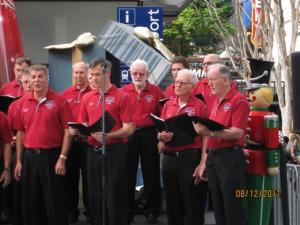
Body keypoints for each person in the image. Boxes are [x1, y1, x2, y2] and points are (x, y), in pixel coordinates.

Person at [74, 58, 133, 225]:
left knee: (114, 194)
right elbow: (84, 122)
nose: (92, 79)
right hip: (92, 151)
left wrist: (108, 136)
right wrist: (79, 129)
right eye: (90, 75)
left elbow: (128, 128)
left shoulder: (122, 96)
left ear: (107, 73)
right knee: (94, 194)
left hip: (114, 151)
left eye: (96, 75)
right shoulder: (87, 98)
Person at [14, 64, 74, 225]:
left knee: (55, 202)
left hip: (52, 157)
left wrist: (62, 158)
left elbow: (68, 132)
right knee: (31, 202)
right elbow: (20, 133)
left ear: (48, 78)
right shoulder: (22, 103)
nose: (36, 80)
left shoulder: (60, 101)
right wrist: (19, 161)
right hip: (29, 158)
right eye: (33, 77)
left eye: (40, 76)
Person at [193, 64, 250, 225]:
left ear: (225, 80)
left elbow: (237, 133)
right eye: (208, 79)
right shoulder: (215, 101)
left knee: (233, 208)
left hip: (230, 157)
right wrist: (205, 161)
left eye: (212, 80)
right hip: (214, 158)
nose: (209, 83)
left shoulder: (239, 101)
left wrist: (209, 133)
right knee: (218, 207)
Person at [157, 69, 208, 225]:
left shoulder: (200, 106)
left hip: (190, 159)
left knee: (193, 204)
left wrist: (203, 163)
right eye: (176, 82)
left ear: (192, 86)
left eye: (182, 83)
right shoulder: (168, 105)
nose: (177, 85)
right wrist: (160, 137)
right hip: (169, 160)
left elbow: (206, 136)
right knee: (172, 205)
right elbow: (160, 131)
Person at [121, 59, 164, 224]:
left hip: (149, 135)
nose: (138, 76)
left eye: (141, 73)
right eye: (135, 73)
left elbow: (162, 117)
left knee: (151, 173)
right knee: (127, 173)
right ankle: (128, 210)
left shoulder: (156, 91)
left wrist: (161, 138)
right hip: (129, 134)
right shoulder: (123, 91)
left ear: (147, 74)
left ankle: (152, 209)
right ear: (130, 74)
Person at [61, 61, 91, 223]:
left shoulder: (93, 92)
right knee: (70, 177)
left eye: (82, 72)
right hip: (70, 142)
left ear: (87, 73)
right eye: (76, 73)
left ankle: (90, 210)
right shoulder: (65, 94)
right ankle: (71, 210)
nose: (79, 76)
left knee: (89, 178)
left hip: (88, 141)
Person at [6, 68, 32, 225]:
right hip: (19, 151)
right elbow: (8, 132)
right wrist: (13, 139)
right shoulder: (14, 105)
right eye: (25, 82)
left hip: (39, 152)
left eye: (31, 81)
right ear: (21, 84)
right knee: (19, 188)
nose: (29, 85)